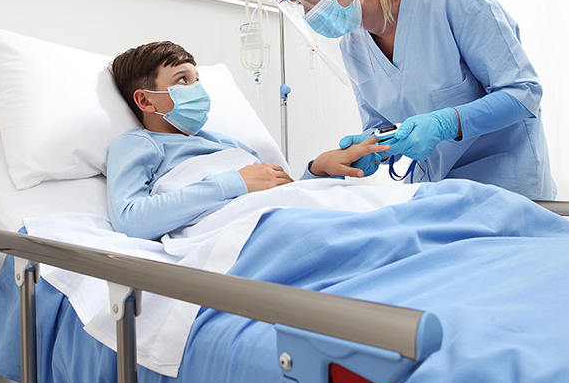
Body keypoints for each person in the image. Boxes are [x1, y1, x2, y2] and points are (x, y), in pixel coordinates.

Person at [274, 0, 557, 200]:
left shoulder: (455, 3)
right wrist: (372, 147)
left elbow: (524, 93)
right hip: (436, 195)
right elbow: (382, 124)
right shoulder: (353, 47)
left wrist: (445, 123)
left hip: (506, 188)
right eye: (302, 4)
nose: (311, 13)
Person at [107, 41, 386, 240]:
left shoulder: (227, 143)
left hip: (288, 214)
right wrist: (235, 182)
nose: (196, 89)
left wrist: (318, 170)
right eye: (182, 80)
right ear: (145, 100)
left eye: (197, 80)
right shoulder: (139, 144)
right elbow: (131, 220)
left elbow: (285, 193)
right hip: (255, 230)